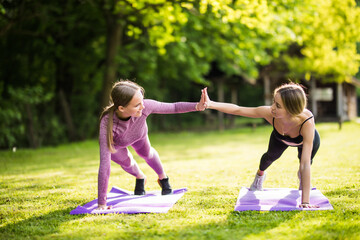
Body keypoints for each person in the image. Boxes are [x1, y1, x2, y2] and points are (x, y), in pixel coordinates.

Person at [201, 82, 320, 208]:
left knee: (305, 164)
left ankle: (302, 180)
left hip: (304, 140)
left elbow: (305, 163)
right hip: (280, 138)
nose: (272, 107)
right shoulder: (269, 113)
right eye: (274, 102)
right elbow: (238, 109)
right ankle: (259, 176)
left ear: (291, 110)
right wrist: (210, 104)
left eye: (278, 106)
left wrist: (305, 202)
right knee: (269, 157)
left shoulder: (306, 121)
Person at [97, 80, 206, 210]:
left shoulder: (145, 106)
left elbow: (174, 107)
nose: (142, 107)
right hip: (117, 145)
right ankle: (140, 177)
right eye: (137, 105)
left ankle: (163, 178)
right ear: (122, 108)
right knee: (126, 162)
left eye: (142, 101)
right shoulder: (107, 124)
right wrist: (102, 203)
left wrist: (197, 106)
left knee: (146, 153)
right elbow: (105, 166)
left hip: (139, 135)